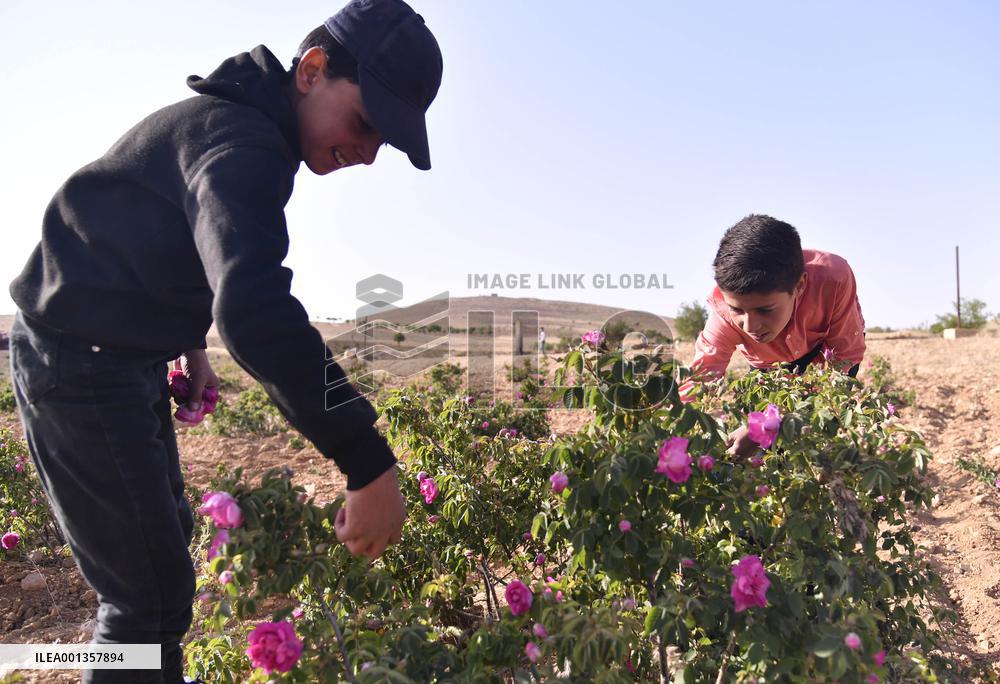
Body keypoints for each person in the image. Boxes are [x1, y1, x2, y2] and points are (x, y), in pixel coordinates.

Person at [6, 1, 442, 682]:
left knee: (159, 564)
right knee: (144, 602)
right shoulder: (242, 144)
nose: (368, 151)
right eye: (366, 123)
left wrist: (189, 340)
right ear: (313, 70)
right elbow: (254, 307)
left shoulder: (235, 127)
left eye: (386, 141)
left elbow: (159, 241)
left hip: (104, 353)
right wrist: (366, 457)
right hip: (80, 362)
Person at [682, 214, 866, 456]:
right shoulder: (723, 312)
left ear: (799, 286)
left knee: (810, 446)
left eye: (765, 310)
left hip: (825, 358)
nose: (749, 326)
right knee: (764, 454)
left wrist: (768, 424)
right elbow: (699, 380)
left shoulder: (834, 278)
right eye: (737, 309)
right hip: (767, 370)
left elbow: (845, 355)